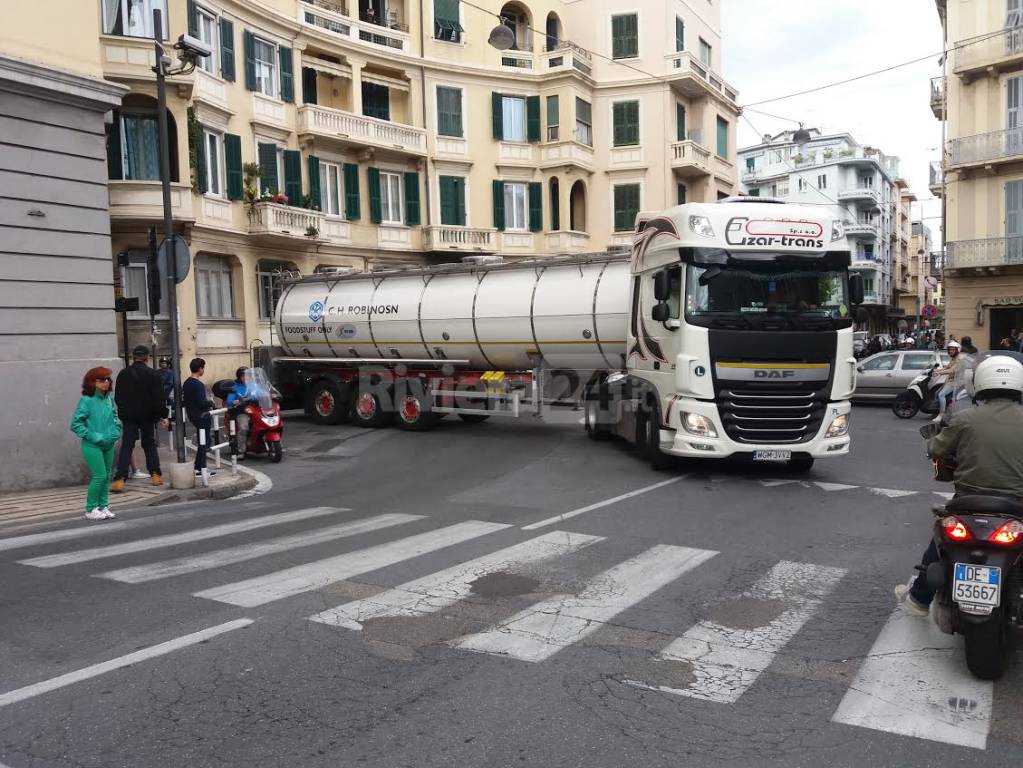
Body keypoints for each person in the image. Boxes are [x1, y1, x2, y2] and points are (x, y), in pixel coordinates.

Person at [896, 356, 1023, 615]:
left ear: (980, 383)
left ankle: (919, 599)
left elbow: (935, 448)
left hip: (969, 500)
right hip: (1017, 503)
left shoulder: (966, 418)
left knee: (940, 540)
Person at [111, 345, 168, 491]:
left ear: (133, 357)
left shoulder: (123, 374)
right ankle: (155, 475)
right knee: (149, 444)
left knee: (127, 446)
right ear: (147, 358)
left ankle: (119, 479)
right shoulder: (153, 375)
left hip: (129, 417)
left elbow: (118, 397)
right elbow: (159, 398)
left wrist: (124, 413)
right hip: (148, 416)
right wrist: (163, 415)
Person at [69, 367, 122, 521]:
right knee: (99, 476)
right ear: (92, 382)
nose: (106, 382)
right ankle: (90, 508)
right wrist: (93, 436)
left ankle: (103, 506)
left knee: (106, 477)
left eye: (108, 379)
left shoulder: (108, 399)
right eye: (101, 379)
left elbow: (115, 417)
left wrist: (116, 430)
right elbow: (76, 424)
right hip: (92, 445)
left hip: (109, 443)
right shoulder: (86, 400)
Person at [182, 358, 216, 482]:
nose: (203, 370)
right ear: (200, 369)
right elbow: (202, 402)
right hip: (202, 415)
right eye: (203, 368)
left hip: (192, 415)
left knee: (204, 441)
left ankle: (198, 467)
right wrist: (211, 402)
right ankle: (201, 467)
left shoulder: (186, 383)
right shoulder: (198, 385)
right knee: (205, 441)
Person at [932, 340, 963, 420]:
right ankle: (937, 411)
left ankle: (941, 414)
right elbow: (947, 367)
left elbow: (951, 370)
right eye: (950, 349)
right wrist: (938, 370)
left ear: (957, 350)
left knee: (941, 395)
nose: (951, 351)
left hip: (955, 382)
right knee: (936, 393)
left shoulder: (958, 359)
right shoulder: (953, 358)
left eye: (953, 349)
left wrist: (940, 373)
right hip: (950, 380)